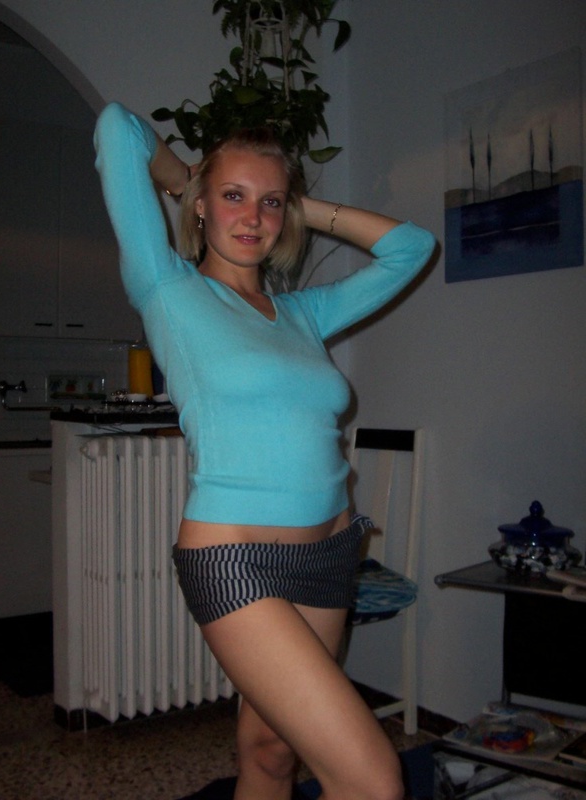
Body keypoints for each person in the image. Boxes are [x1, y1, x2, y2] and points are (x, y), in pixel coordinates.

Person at [94, 101, 435, 800]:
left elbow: (412, 247)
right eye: (233, 196)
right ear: (201, 207)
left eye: (270, 202)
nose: (252, 217)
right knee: (374, 780)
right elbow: (116, 128)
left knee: (271, 750)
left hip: (329, 554)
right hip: (235, 560)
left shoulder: (302, 313)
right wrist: (185, 176)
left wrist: (300, 207)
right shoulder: (168, 288)